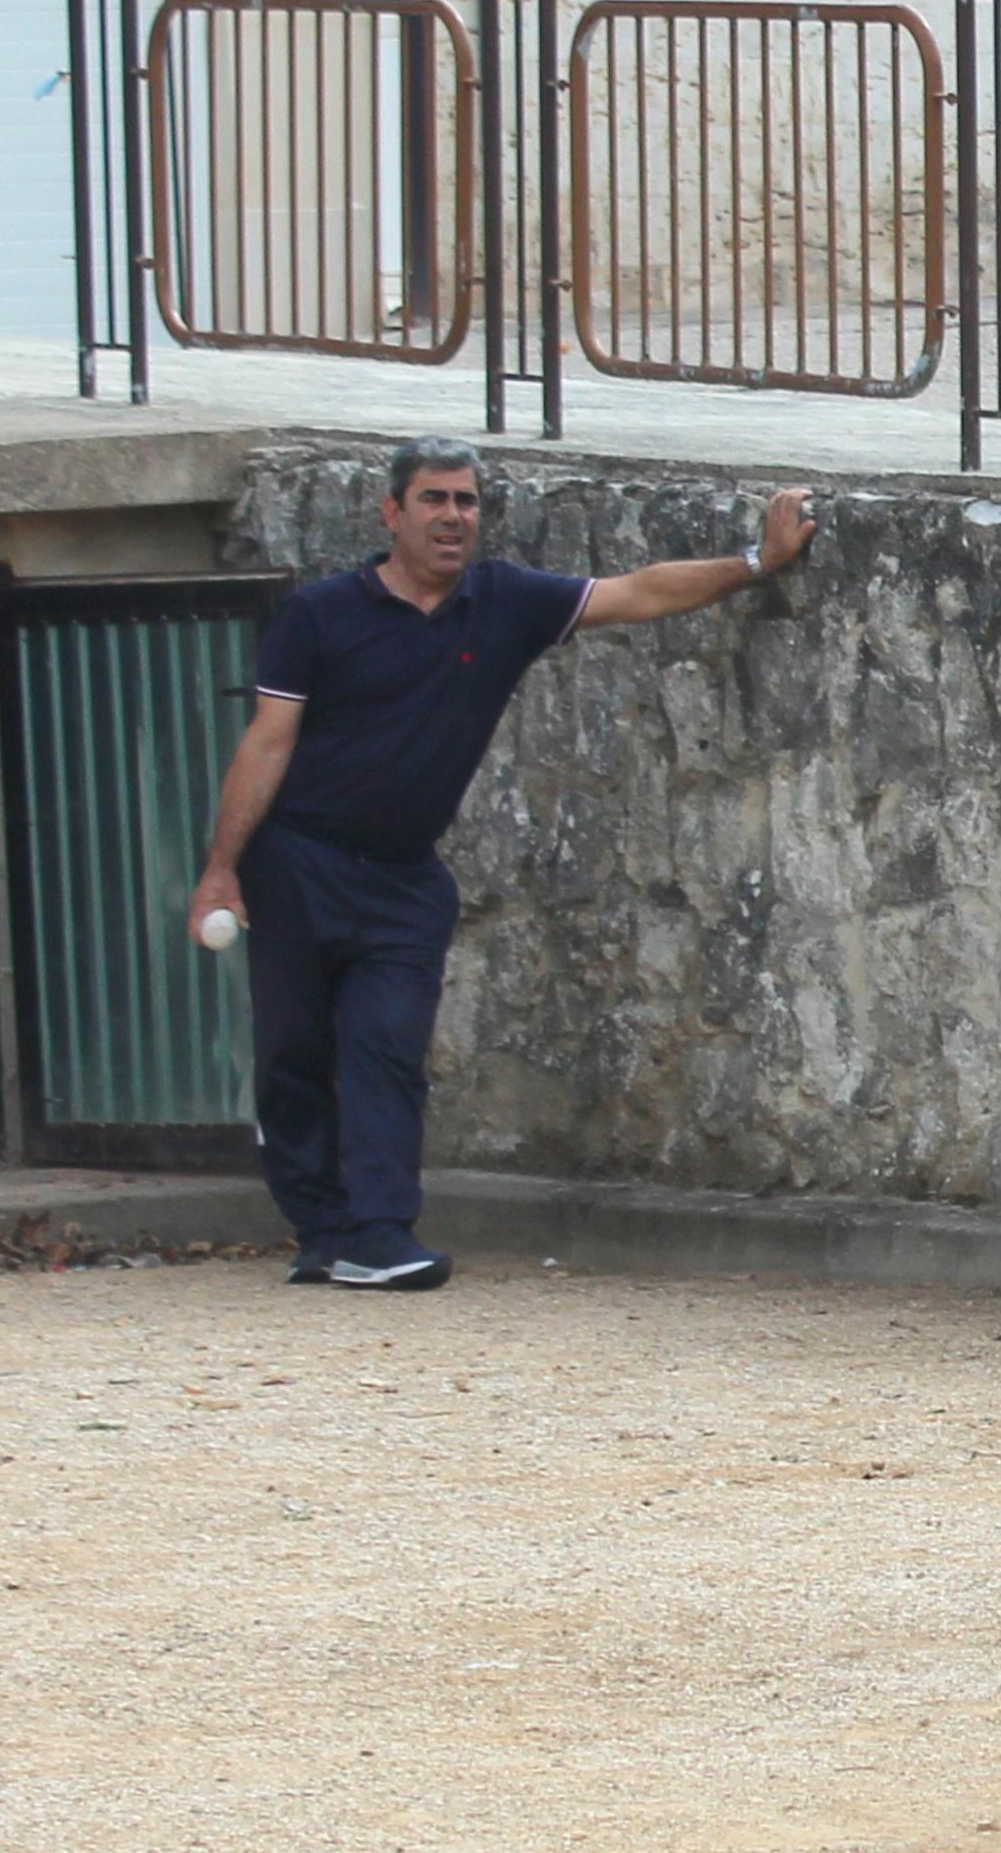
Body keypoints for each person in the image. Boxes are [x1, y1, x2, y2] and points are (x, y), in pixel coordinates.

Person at [190, 441, 821, 1290]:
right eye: (433, 500)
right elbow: (267, 740)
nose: (453, 517)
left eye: (467, 501)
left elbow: (635, 592)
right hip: (298, 861)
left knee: (386, 1049)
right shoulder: (319, 616)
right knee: (293, 1056)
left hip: (404, 878)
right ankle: (320, 1230)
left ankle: (378, 1233)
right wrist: (222, 868)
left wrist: (756, 561)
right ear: (392, 513)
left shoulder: (504, 603)